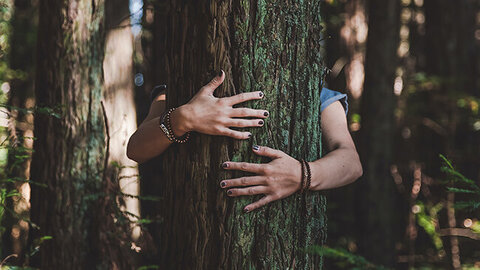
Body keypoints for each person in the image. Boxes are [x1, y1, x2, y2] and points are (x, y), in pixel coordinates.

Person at [127, 70, 362, 212]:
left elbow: (351, 163)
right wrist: (185, 117)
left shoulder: (315, 95)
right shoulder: (176, 89)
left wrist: (302, 174)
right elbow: (136, 149)